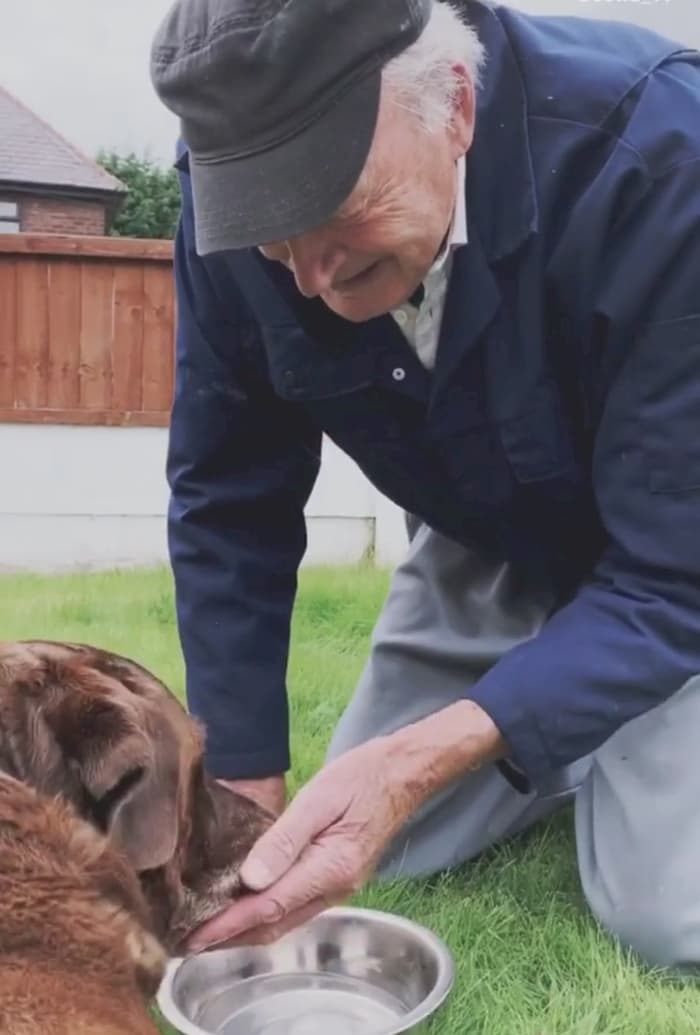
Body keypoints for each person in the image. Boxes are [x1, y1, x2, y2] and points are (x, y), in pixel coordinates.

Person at [150, 0, 700, 968]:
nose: (309, 277)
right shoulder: (226, 207)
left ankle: (606, 748)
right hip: (490, 535)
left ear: (453, 104)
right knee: (353, 855)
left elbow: (672, 575)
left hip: (673, 554)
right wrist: (239, 792)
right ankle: (563, 733)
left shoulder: (660, 159)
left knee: (668, 917)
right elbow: (228, 497)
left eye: (329, 207)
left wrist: (414, 763)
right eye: (270, 235)